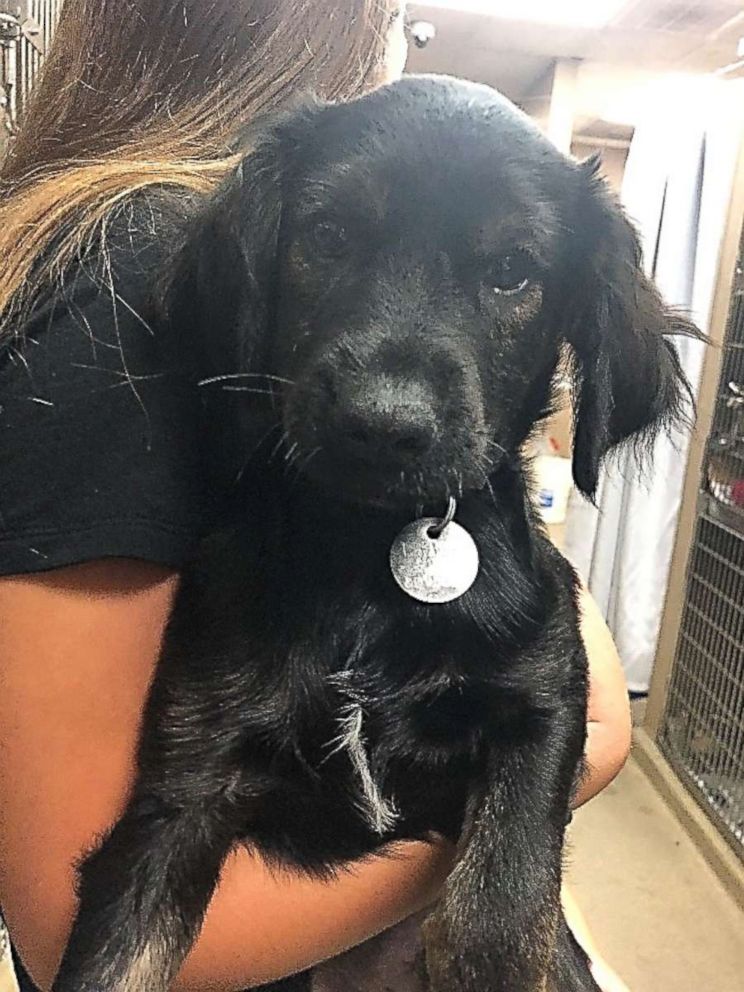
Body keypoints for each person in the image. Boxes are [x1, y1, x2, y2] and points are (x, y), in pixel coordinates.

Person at [0, 2, 632, 990]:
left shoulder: (513, 589)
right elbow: (88, 901)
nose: (388, 403)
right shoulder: (123, 301)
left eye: (509, 272)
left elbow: (548, 707)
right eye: (332, 237)